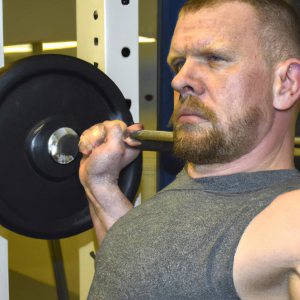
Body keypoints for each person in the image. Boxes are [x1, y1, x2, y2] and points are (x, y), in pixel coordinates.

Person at [79, 0, 300, 299]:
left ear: (286, 83)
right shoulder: (176, 198)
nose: (179, 80)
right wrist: (101, 187)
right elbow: (137, 274)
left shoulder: (291, 217)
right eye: (178, 63)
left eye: (214, 58)